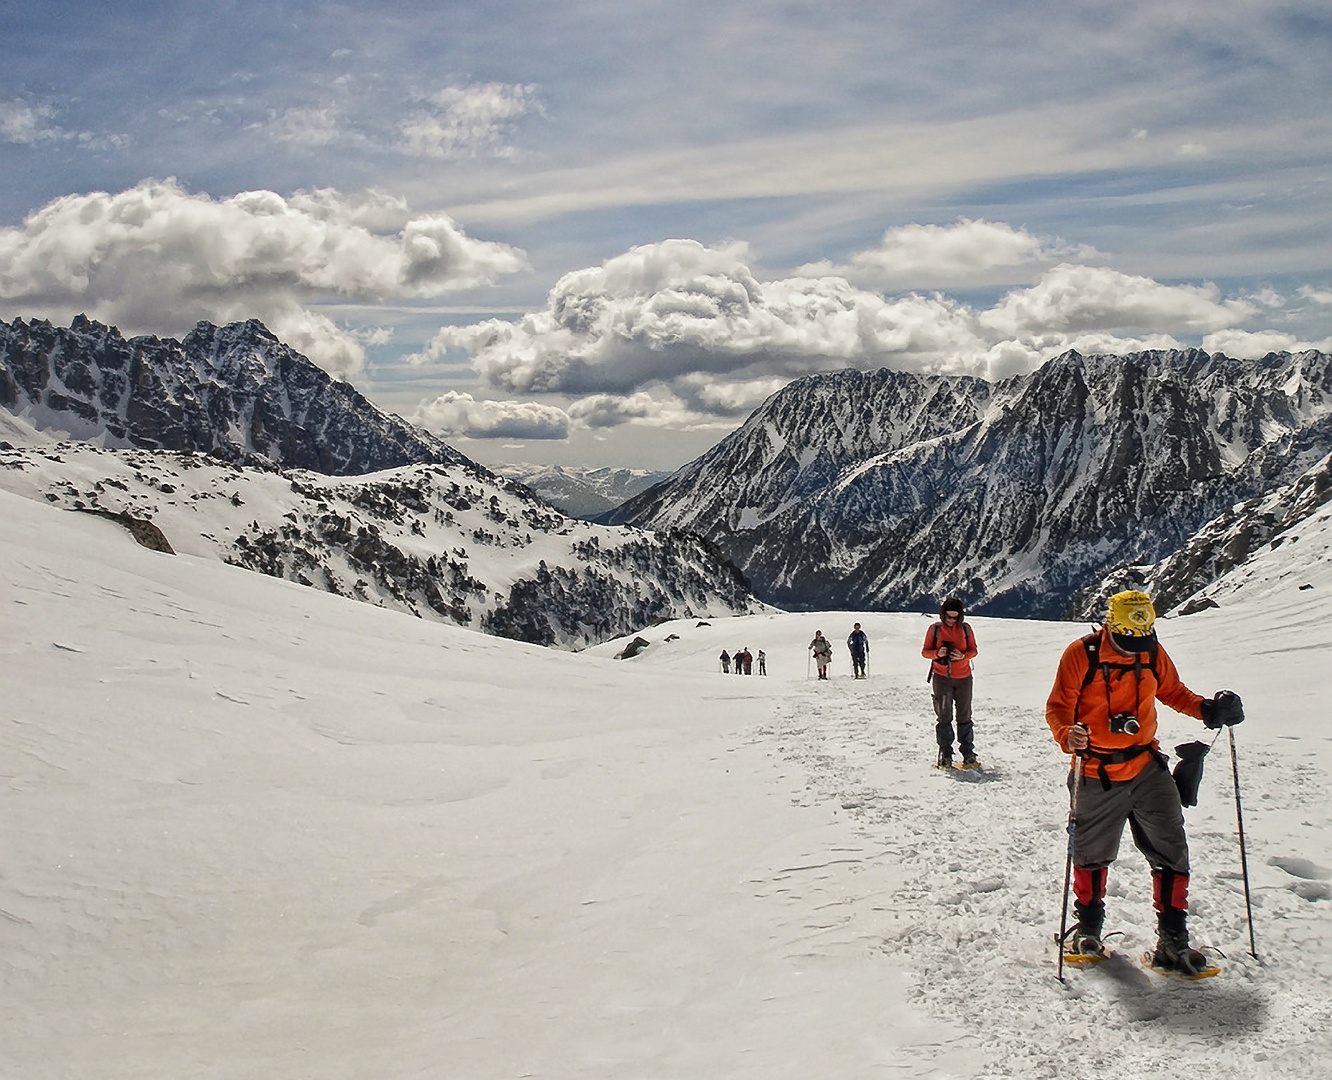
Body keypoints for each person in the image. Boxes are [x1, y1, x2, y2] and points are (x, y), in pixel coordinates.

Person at [1045, 590, 1245, 976]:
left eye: (1142, 639)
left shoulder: (1151, 651)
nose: (1135, 647)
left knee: (1171, 849)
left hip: (1144, 764)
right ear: (1111, 625)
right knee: (1089, 852)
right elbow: (1058, 706)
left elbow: (1171, 691)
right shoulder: (1081, 654)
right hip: (1096, 769)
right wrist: (1067, 734)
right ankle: (1088, 928)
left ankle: (1173, 938)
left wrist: (1208, 709)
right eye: (1128, 640)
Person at [921, 597, 979, 768]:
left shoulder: (966, 629)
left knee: (964, 715)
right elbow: (925, 652)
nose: (951, 620)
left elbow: (974, 650)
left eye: (955, 617)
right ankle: (945, 753)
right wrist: (938, 653)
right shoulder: (935, 629)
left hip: (964, 677)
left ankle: (968, 753)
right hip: (941, 677)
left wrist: (963, 656)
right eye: (948, 617)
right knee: (944, 716)